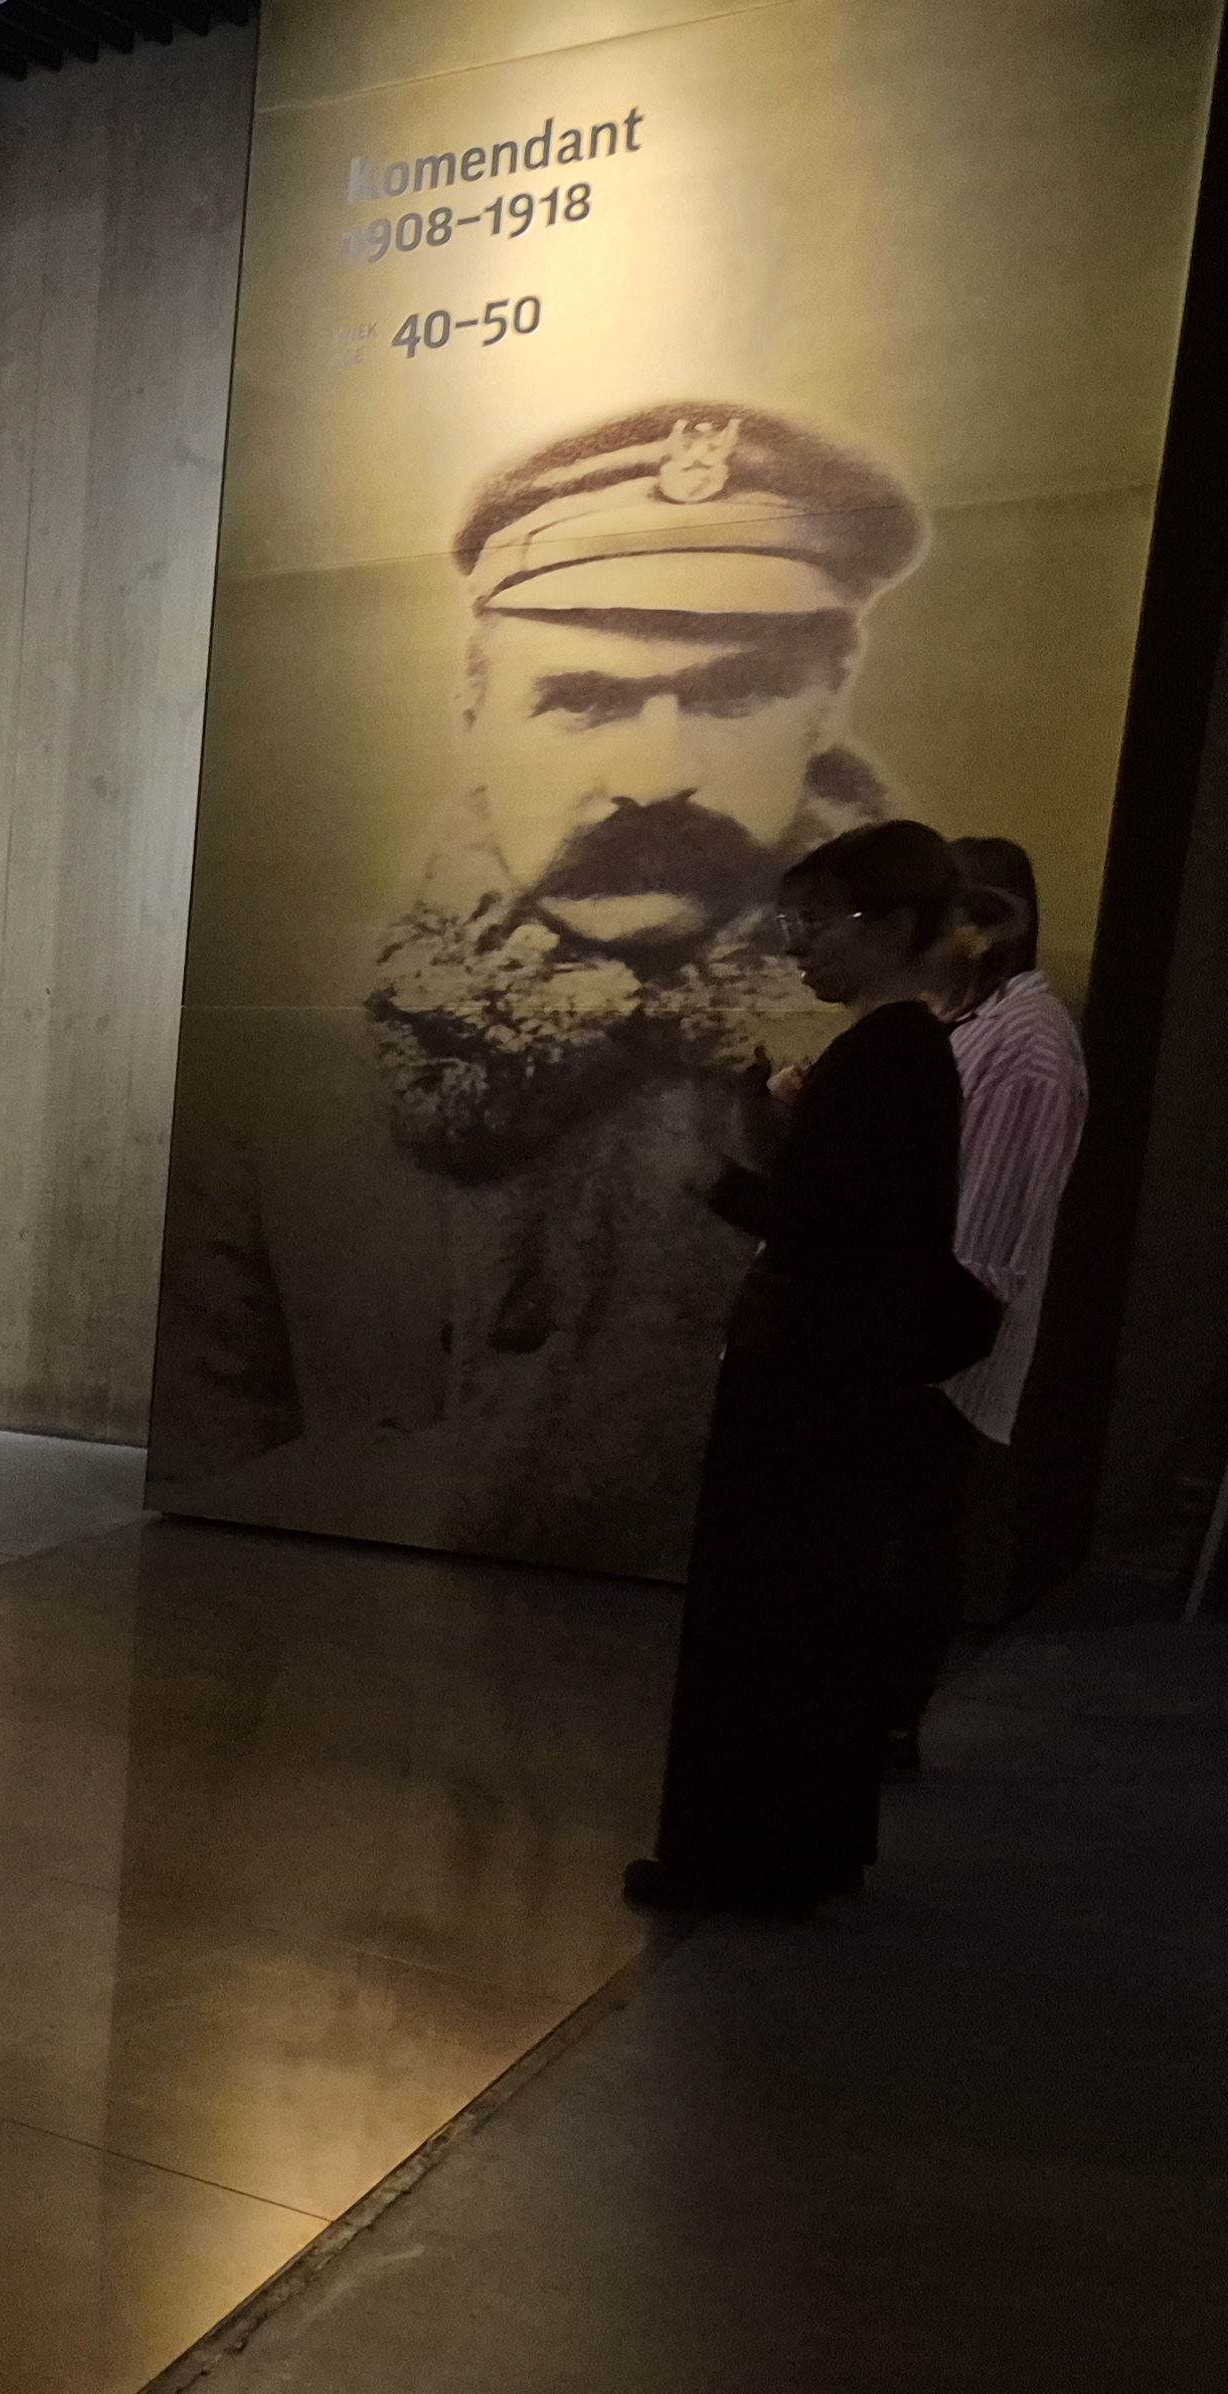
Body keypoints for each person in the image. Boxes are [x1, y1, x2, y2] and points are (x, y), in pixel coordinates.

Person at [155, 402, 932, 1575]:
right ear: (471, 710)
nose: (656, 775)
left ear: (826, 703)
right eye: (581, 700)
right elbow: (213, 1475)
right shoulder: (285, 1067)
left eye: (734, 696)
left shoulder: (922, 1047)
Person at [630, 821, 985, 1918]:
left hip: (808, 1380)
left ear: (894, 926)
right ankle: (794, 1852)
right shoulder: (896, 1051)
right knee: (809, 1622)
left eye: (819, 921)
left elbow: (829, 1229)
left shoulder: (888, 1057)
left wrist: (710, 1177)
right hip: (835, 1376)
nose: (798, 945)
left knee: (770, 1621)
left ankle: (739, 1861)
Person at [874, 835, 1088, 1774]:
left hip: (937, 1342)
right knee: (894, 1532)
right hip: (909, 1325)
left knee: (913, 1530)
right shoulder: (953, 1023)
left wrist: (916, 1336)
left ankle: (888, 1720)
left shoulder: (1026, 1043)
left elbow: (984, 1240)